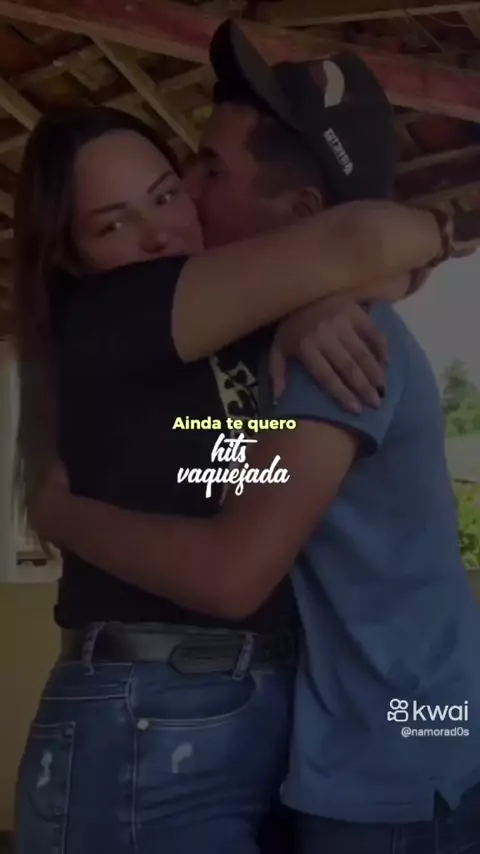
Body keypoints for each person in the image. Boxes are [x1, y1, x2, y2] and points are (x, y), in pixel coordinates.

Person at [14, 20, 475, 854]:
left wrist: (62, 514)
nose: (184, 202)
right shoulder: (150, 318)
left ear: (300, 219)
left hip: (391, 755)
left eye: (199, 175)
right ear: (72, 254)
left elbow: (234, 560)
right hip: (297, 739)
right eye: (113, 223)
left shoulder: (340, 344)